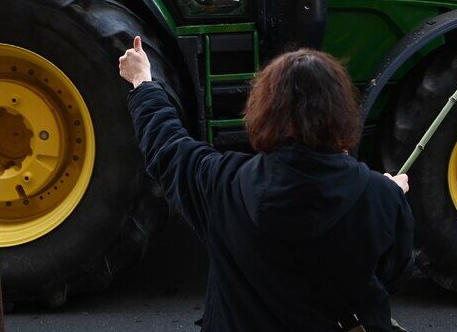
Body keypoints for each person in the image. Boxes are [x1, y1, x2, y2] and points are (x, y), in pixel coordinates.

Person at [119, 37, 415, 331]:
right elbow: (394, 275)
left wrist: (143, 81)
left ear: (263, 111)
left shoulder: (221, 182)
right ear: (341, 113)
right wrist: (387, 196)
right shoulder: (380, 196)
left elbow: (167, 144)